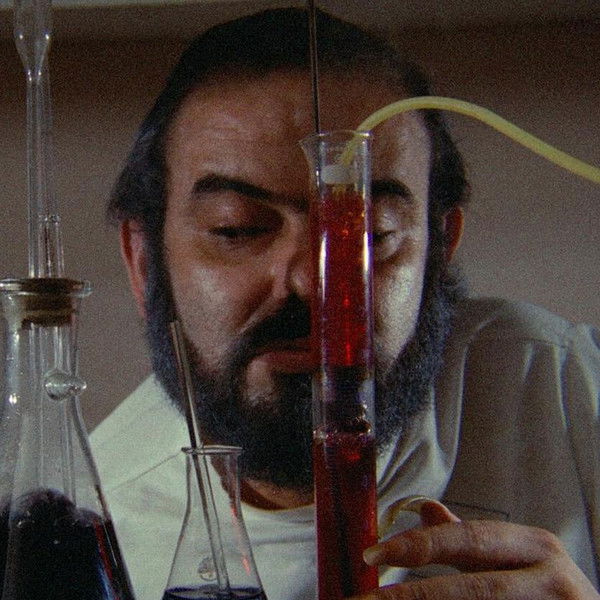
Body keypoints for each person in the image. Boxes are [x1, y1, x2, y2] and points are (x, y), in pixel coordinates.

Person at [90, 7, 600, 600]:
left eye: (371, 233)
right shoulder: (96, 526)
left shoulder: (569, 389)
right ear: (143, 261)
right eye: (236, 228)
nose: (315, 282)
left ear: (440, 250)